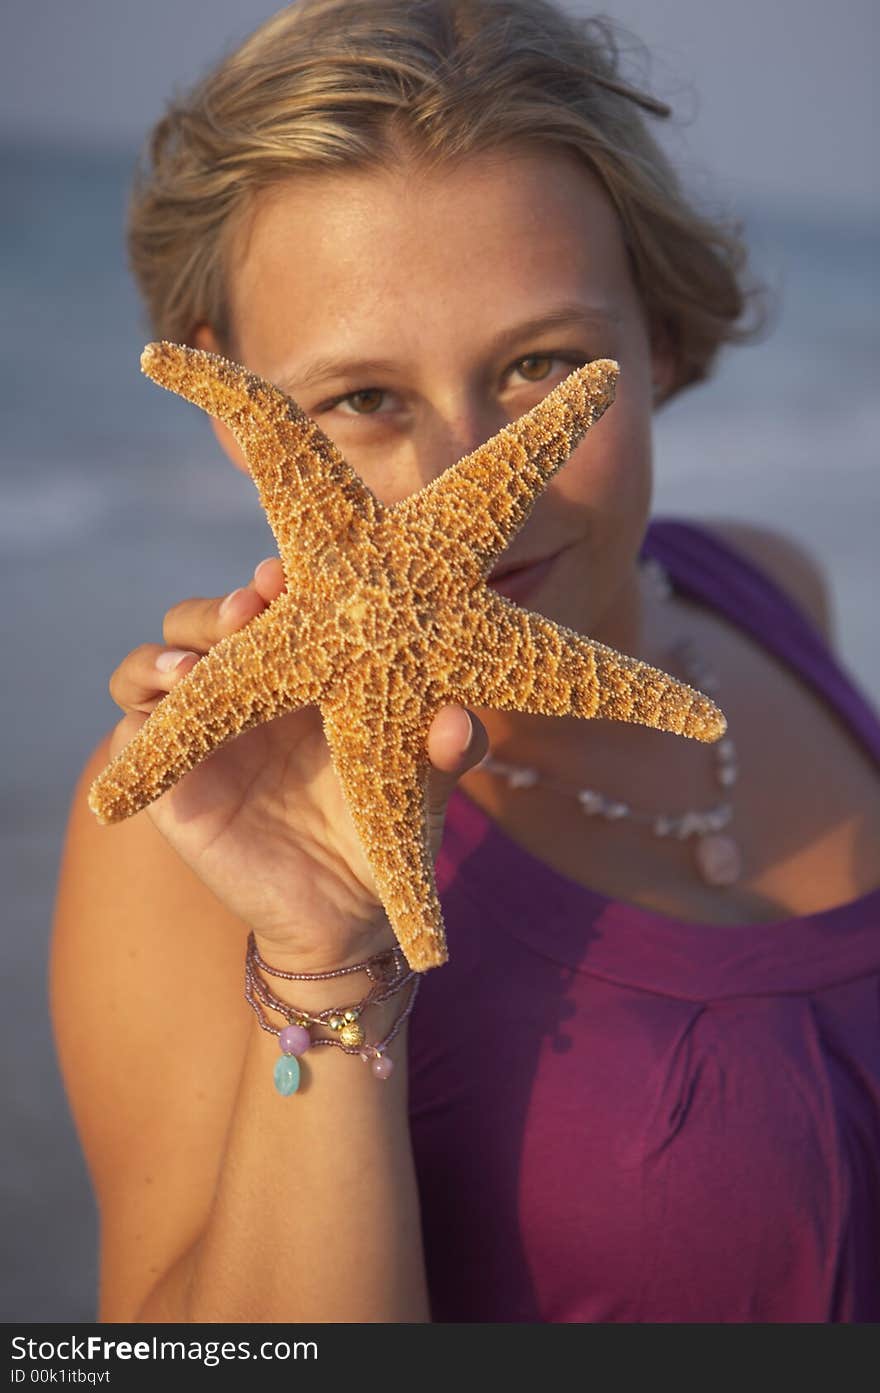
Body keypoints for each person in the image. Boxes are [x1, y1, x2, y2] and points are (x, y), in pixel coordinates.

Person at [50, 0, 880, 1324]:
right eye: (361, 400)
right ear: (237, 409)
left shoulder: (774, 589)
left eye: (541, 367)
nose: (457, 484)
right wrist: (324, 957)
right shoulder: (194, 810)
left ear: (655, 337)